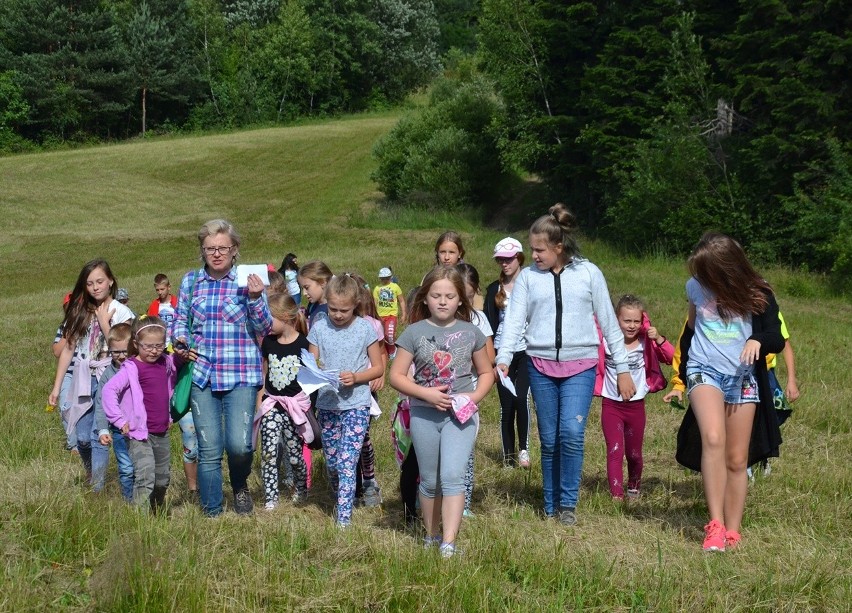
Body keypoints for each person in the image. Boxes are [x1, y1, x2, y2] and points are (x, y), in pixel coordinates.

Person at [496, 204, 634, 526]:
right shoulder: (529, 278)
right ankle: (550, 503)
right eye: (531, 249)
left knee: (571, 433)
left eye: (539, 250)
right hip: (540, 366)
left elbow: (609, 324)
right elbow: (515, 321)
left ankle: (568, 505)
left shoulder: (589, 273)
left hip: (581, 366)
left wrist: (623, 368)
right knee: (549, 438)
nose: (534, 256)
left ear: (559, 247)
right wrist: (503, 359)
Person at [663, 232, 784, 552]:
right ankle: (714, 526)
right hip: (703, 371)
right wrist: (679, 377)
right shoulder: (695, 288)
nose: (701, 279)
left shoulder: (759, 292)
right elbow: (690, 332)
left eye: (707, 273)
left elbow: (777, 336)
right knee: (713, 438)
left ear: (728, 270)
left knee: (737, 458)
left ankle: (733, 530)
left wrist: (758, 341)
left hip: (743, 378)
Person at [390, 266, 494, 558]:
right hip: (424, 414)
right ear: (425, 299)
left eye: (450, 295)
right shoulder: (413, 333)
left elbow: (487, 372)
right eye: (436, 295)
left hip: (460, 417)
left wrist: (472, 398)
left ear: (461, 299)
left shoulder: (472, 332)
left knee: (452, 476)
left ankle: (449, 543)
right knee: (431, 480)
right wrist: (426, 394)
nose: (443, 301)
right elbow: (396, 375)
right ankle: (431, 535)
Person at [172, 219, 273, 517]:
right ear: (202, 251)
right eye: (210, 248)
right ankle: (212, 511)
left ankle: (239, 484)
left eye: (223, 248)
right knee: (209, 448)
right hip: (202, 374)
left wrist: (255, 299)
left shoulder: (248, 281)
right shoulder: (191, 281)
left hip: (240, 373)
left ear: (235, 250)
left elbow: (264, 326)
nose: (216, 254)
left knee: (240, 445)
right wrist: (179, 338)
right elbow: (180, 319)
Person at [307, 274, 385, 528]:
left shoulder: (364, 328)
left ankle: (344, 518)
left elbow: (377, 368)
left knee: (347, 461)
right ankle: (341, 494)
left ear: (356, 305)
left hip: (357, 404)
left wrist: (357, 377)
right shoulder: (319, 327)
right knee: (332, 462)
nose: (338, 315)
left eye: (344, 310)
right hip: (328, 405)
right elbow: (311, 363)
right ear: (326, 302)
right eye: (333, 309)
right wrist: (317, 371)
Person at [48, 259, 135, 486]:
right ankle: (91, 472)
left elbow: (124, 348)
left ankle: (97, 487)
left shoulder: (122, 312)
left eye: (100, 281)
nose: (95, 287)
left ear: (110, 282)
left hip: (110, 378)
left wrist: (105, 323)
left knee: (99, 434)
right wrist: (57, 387)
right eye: (89, 283)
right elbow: (68, 349)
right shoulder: (80, 311)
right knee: (83, 437)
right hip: (83, 377)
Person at [594, 295, 674, 500]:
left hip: (636, 406)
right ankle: (616, 494)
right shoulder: (605, 341)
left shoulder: (645, 342)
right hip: (611, 404)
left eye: (636, 321)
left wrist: (659, 339)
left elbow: (672, 358)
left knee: (634, 454)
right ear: (616, 320)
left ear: (643, 321)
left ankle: (634, 487)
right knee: (614, 450)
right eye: (626, 321)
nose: (631, 326)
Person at [102, 317, 182, 511]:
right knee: (145, 475)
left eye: (159, 345)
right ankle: (141, 519)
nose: (154, 350)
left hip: (161, 431)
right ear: (136, 344)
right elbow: (108, 391)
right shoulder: (131, 368)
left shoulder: (165, 362)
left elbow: (172, 381)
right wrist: (119, 420)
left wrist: (170, 416)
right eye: (148, 346)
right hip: (139, 434)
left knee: (162, 480)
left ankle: (156, 511)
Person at [253, 293, 312, 510]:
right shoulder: (268, 342)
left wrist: (308, 406)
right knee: (269, 451)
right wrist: (260, 399)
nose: (265, 323)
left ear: (286, 317)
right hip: (272, 404)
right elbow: (265, 373)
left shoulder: (304, 344)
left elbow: (311, 377)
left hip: (295, 407)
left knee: (295, 455)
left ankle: (301, 488)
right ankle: (271, 497)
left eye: (269, 319)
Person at [484, 237, 532, 469]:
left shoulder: (531, 284)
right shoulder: (494, 289)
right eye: (501, 260)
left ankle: (524, 449)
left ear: (519, 258)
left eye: (509, 259)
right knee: (507, 406)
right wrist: (491, 357)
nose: (505, 264)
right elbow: (488, 326)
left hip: (526, 351)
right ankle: (508, 458)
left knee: (521, 398)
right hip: (502, 352)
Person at [456, 263, 495, 517]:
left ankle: (465, 502)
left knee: (466, 449)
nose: (464, 303)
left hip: (467, 393)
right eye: (460, 296)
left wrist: (467, 357)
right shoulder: (438, 318)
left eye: (469, 297)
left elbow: (490, 357)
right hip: (438, 394)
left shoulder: (479, 319)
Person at [92, 323, 135, 501]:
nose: (121, 356)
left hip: (142, 429)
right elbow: (101, 404)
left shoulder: (139, 369)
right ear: (109, 350)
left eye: (125, 351)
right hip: (119, 431)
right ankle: (129, 501)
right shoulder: (108, 375)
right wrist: (103, 429)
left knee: (142, 468)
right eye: (116, 352)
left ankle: (145, 500)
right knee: (126, 468)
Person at [373, 267, 406, 359]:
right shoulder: (377, 289)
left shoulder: (395, 287)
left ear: (390, 277)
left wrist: (404, 314)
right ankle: (384, 351)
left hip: (392, 315)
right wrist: (374, 315)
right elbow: (375, 303)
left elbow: (402, 301)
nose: (385, 280)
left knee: (389, 334)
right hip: (380, 316)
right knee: (381, 335)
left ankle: (392, 351)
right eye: (383, 278)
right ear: (380, 278)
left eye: (387, 278)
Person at [298, 260, 333, 327]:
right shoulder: (312, 305)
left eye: (307, 287)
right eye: (302, 288)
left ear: (322, 282)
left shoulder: (333, 309)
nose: (304, 293)